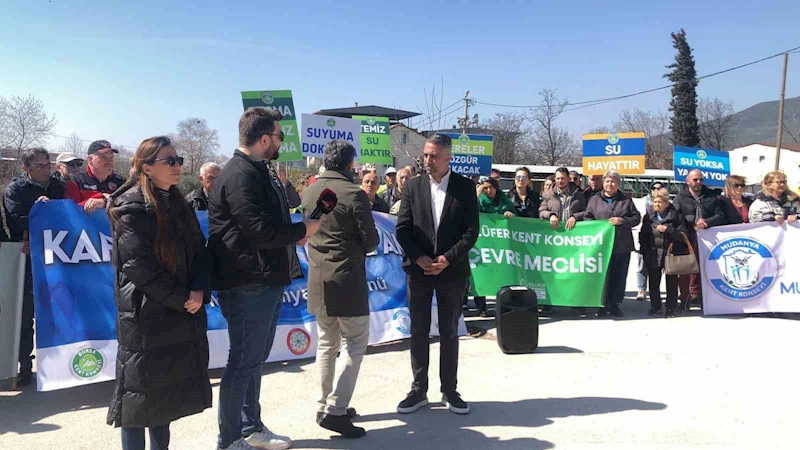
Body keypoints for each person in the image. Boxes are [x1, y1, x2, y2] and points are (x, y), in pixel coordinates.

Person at [208, 107, 321, 450]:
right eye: (279, 137)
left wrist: (293, 233)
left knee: (253, 359)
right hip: (246, 282)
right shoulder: (240, 174)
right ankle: (229, 439)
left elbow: (270, 221)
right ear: (263, 139)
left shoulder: (260, 170)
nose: (281, 144)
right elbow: (258, 231)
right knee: (242, 361)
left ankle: (250, 427)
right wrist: (303, 229)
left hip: (264, 277)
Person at [106, 136, 211, 450]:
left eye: (178, 160)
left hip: (178, 314)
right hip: (145, 318)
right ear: (147, 167)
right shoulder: (130, 208)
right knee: (137, 402)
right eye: (170, 161)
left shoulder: (178, 202)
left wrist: (199, 289)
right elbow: (140, 267)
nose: (178, 166)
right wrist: (183, 298)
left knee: (164, 401)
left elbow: (200, 251)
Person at [395, 134, 479, 415]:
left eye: (433, 156)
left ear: (448, 158)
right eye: (425, 156)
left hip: (451, 271)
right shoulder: (413, 186)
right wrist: (419, 258)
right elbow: (403, 228)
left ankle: (449, 390)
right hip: (418, 271)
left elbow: (471, 232)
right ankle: (418, 389)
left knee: (449, 331)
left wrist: (447, 258)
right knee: (418, 329)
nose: (427, 160)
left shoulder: (465, 189)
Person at [301, 140, 379, 439]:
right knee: (355, 345)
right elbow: (371, 240)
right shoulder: (354, 194)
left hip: (318, 277)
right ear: (349, 164)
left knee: (325, 344)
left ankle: (324, 405)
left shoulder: (309, 190)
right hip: (347, 279)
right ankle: (335, 410)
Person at [2, 148, 66, 387]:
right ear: (26, 168)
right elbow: (16, 220)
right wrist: (39, 211)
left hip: (57, 258)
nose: (46, 169)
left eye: (47, 164)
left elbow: (67, 216)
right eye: (39, 165)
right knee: (26, 313)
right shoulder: (15, 190)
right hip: (28, 259)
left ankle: (59, 362)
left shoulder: (58, 187)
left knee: (57, 310)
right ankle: (25, 365)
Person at [584, 171, 641, 317]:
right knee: (603, 276)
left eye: (613, 182)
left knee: (619, 276)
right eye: (607, 181)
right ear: (603, 183)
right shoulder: (595, 200)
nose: (610, 184)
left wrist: (623, 221)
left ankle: (615, 305)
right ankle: (602, 305)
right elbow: (587, 217)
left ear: (618, 184)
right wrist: (597, 226)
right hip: (601, 246)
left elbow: (636, 218)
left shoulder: (626, 200)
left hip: (621, 245)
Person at [672, 169, 725, 310]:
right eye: (695, 180)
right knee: (685, 271)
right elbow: (675, 216)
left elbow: (720, 215)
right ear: (687, 181)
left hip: (707, 239)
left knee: (704, 270)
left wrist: (707, 222)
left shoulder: (711, 197)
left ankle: (701, 299)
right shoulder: (680, 198)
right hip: (686, 238)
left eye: (700, 179)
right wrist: (687, 226)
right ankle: (684, 299)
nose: (698, 182)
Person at [639, 188, 687, 318]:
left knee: (671, 282)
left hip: (670, 253)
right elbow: (642, 234)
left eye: (660, 202)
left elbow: (683, 235)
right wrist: (645, 250)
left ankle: (671, 307)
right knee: (654, 282)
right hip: (653, 253)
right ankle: (655, 307)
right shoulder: (649, 217)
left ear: (666, 203)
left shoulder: (676, 216)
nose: (657, 205)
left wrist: (669, 230)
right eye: (654, 202)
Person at [473, 175, 515, 317]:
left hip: (502, 244)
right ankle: (481, 306)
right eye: (485, 188)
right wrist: (477, 195)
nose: (489, 190)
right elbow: (469, 212)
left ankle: (503, 305)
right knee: (482, 273)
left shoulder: (505, 201)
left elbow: (517, 217)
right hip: (483, 243)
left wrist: (511, 215)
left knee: (502, 274)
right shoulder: (479, 201)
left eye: (491, 187)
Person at [65, 139, 126, 214]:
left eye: (111, 158)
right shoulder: (76, 180)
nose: (109, 161)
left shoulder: (120, 182)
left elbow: (129, 205)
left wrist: (105, 202)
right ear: (90, 160)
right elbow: (71, 211)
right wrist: (100, 196)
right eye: (103, 157)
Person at [636, 182, 664, 301]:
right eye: (654, 188)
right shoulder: (642, 203)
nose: (656, 190)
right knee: (642, 266)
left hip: (659, 243)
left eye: (659, 188)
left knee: (656, 270)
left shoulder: (667, 204)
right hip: (644, 238)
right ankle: (641, 290)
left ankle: (655, 294)